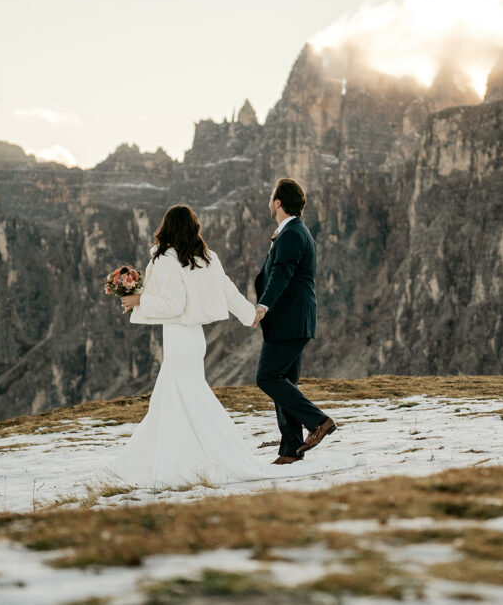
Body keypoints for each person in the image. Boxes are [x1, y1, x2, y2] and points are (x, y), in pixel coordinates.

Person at [104, 204, 345, 489]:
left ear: (166, 228)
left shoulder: (164, 258)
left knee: (182, 399)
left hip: (179, 338)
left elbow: (173, 304)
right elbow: (226, 288)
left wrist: (139, 300)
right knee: (174, 399)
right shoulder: (205, 256)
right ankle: (184, 458)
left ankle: (179, 462)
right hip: (195, 340)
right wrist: (249, 315)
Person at [254, 178, 337, 464]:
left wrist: (263, 304)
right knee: (284, 381)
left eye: (270, 196)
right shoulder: (293, 231)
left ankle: (318, 421)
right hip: (293, 321)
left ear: (278, 202)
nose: (269, 202)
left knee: (267, 377)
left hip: (288, 321)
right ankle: (290, 450)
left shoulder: (291, 233)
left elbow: (282, 272)